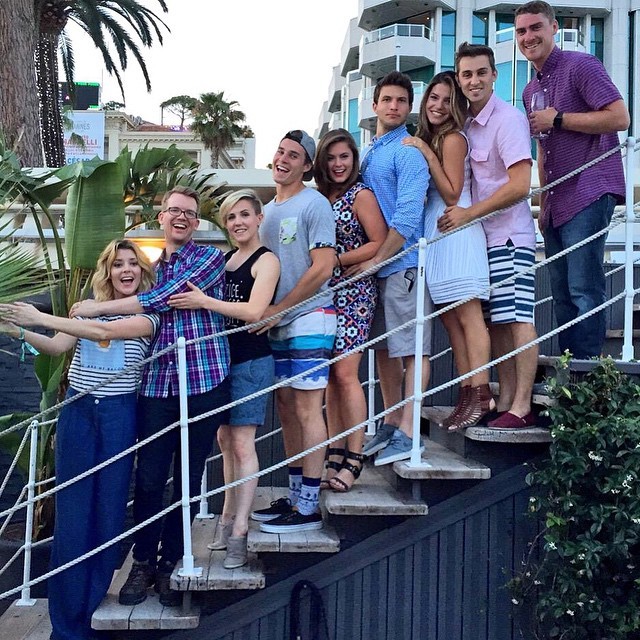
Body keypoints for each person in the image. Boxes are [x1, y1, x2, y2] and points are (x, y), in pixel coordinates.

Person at [71, 186, 231, 607]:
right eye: (174, 210)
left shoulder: (209, 258)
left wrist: (95, 309)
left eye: (189, 213)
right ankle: (142, 561)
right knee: (148, 479)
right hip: (157, 386)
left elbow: (163, 299)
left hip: (203, 381)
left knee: (188, 477)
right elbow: (135, 303)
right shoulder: (149, 269)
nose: (181, 217)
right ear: (161, 217)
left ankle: (171, 560)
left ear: (196, 222)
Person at [0, 239, 158, 640]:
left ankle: (91, 615)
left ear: (142, 272)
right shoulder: (82, 309)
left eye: (133, 264)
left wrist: (42, 315)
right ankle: (67, 625)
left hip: (119, 414)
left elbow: (101, 330)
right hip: (79, 411)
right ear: (107, 271)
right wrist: (20, 329)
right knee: (73, 516)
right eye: (118, 264)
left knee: (107, 515)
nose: (126, 270)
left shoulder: (149, 315)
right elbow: (57, 345)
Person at [167, 189, 280, 569]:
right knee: (224, 441)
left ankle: (239, 532)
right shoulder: (226, 260)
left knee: (243, 444)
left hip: (250, 362)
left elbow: (255, 311)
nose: (238, 222)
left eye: (244, 214)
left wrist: (205, 301)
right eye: (231, 217)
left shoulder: (267, 261)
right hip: (219, 362)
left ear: (259, 218)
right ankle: (228, 515)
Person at [515, 1, 629, 359]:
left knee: (583, 287)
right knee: (561, 293)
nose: (528, 37)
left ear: (554, 28)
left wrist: (559, 118)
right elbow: (543, 147)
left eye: (536, 27)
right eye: (521, 31)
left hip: (591, 188)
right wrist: (545, 200)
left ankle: (588, 374)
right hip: (557, 200)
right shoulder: (529, 90)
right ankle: (570, 371)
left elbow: (620, 117)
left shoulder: (582, 65)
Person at [439, 43, 538, 430]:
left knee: (518, 319)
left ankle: (523, 406)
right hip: (483, 241)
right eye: (467, 74)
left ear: (494, 75)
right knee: (496, 324)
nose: (474, 80)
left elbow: (520, 186)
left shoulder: (508, 120)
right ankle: (507, 400)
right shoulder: (465, 125)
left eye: (481, 72)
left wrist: (468, 214)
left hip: (510, 236)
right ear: (459, 79)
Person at [250, 130, 336, 532]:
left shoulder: (314, 203)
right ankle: (297, 494)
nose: (283, 159)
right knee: (286, 410)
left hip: (309, 317)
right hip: (274, 324)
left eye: (294, 155)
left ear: (307, 166)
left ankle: (310, 507)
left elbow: (323, 267)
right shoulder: (265, 212)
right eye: (280, 151)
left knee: (307, 409)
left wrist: (281, 308)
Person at [402, 71, 493, 431]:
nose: (438, 106)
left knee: (469, 317)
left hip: (458, 232)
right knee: (451, 321)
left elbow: (453, 193)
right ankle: (467, 392)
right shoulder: (432, 137)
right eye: (433, 98)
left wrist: (425, 151)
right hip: (436, 235)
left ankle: (482, 392)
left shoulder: (452, 139)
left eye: (446, 100)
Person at [355, 71, 432, 466]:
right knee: (384, 348)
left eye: (401, 100)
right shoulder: (371, 152)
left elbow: (408, 215)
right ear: (375, 105)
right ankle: (391, 420)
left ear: (409, 107)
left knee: (412, 348)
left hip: (404, 264)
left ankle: (410, 430)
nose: (394, 106)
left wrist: (377, 259)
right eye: (387, 99)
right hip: (379, 269)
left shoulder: (407, 151)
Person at [313, 129, 387, 491]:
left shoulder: (361, 194)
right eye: (331, 157)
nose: (338, 164)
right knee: (330, 376)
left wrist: (337, 260)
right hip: (323, 293)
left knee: (346, 373)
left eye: (344, 156)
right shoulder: (319, 197)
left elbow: (379, 241)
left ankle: (354, 458)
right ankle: (335, 452)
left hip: (354, 291)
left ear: (354, 159)